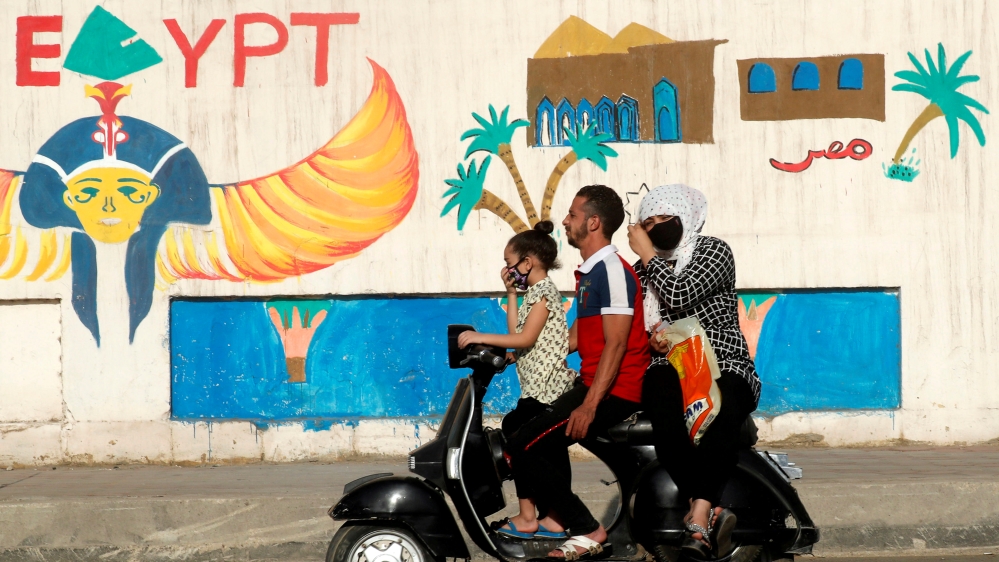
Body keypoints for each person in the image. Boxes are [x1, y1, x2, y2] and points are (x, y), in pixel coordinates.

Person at [505, 185, 651, 560]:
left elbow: (616, 345)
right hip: (593, 383)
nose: (565, 222)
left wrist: (588, 406)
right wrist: (520, 350)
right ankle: (555, 521)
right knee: (524, 431)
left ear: (593, 222)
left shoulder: (612, 272)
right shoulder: (590, 273)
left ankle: (587, 530)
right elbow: (578, 337)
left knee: (525, 444)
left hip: (616, 390)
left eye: (572, 215)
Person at [626, 184, 761, 558]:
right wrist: (651, 338)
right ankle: (705, 508)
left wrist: (649, 256)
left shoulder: (713, 251)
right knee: (664, 419)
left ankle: (699, 514)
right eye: (648, 222)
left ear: (686, 216)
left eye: (665, 219)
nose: (656, 227)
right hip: (669, 366)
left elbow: (681, 294)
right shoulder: (641, 269)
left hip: (722, 361)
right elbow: (642, 320)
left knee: (723, 410)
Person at [456, 220, 576, 540]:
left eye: (510, 265)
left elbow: (524, 338)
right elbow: (516, 334)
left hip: (548, 390)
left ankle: (531, 516)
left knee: (516, 432)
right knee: (520, 435)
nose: (509, 270)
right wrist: (511, 293)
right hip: (535, 388)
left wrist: (478, 335)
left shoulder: (546, 293)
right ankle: (543, 514)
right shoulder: (532, 293)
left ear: (527, 262)